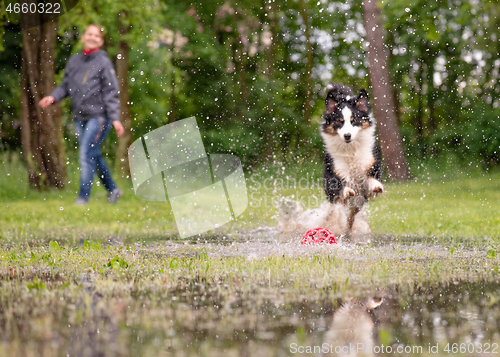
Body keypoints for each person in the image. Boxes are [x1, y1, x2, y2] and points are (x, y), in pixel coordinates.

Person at [39, 24, 124, 205]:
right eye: (89, 34)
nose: (92, 37)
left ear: (100, 41)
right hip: (80, 117)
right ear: (84, 37)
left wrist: (115, 119)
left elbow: (111, 92)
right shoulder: (74, 61)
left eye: (96, 35)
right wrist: (52, 97)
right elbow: (65, 86)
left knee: (86, 155)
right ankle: (113, 189)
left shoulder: (103, 62)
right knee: (93, 154)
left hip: (99, 117)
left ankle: (82, 199)